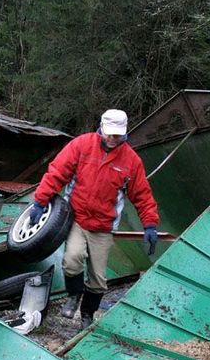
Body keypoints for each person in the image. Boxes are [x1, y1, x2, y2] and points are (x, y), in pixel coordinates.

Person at [29, 109, 159, 329]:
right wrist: (41, 201)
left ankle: (87, 313)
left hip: (104, 226)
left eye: (116, 135)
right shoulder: (81, 145)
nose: (111, 138)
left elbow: (142, 195)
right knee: (72, 259)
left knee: (98, 278)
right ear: (101, 127)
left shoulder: (131, 161)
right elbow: (57, 172)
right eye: (108, 133)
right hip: (77, 217)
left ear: (124, 133)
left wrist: (150, 224)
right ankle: (73, 296)